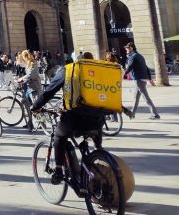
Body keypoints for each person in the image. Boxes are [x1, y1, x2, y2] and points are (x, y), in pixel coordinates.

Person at [32, 52, 129, 184]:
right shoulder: (99, 72)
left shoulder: (69, 70)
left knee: (59, 136)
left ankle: (59, 170)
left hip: (74, 120)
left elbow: (49, 91)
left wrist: (36, 106)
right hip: (97, 121)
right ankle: (99, 151)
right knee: (95, 127)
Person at [124, 42, 160, 119]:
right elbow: (146, 68)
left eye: (127, 48)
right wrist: (150, 79)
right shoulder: (139, 56)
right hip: (142, 79)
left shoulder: (133, 57)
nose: (126, 50)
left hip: (138, 79)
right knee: (136, 97)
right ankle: (132, 114)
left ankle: (155, 114)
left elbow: (129, 67)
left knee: (146, 97)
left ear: (131, 48)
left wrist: (122, 74)